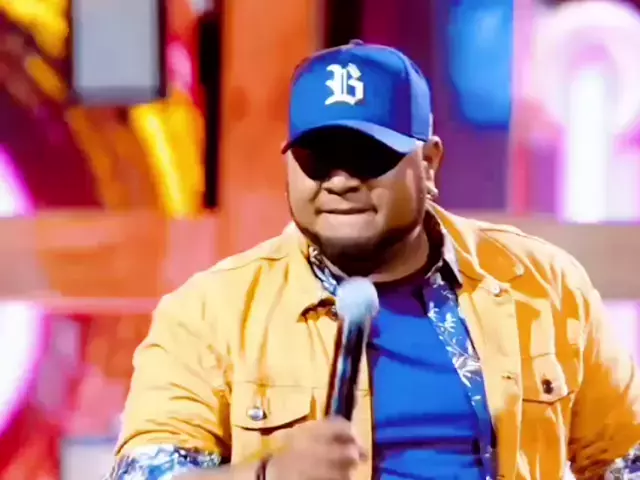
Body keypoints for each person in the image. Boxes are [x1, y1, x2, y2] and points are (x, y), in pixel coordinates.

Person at [107, 40, 640, 480]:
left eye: (368, 155)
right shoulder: (209, 313)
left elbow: (625, 460)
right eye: (318, 158)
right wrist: (267, 475)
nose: (340, 181)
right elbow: (146, 473)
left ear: (428, 163)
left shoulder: (542, 285)